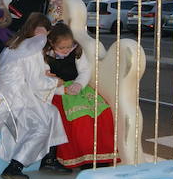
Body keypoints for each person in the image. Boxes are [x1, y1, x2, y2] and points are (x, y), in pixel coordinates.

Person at [0, 13, 68, 179]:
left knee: (52, 112)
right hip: (16, 98)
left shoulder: (14, 45)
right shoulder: (32, 48)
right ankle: (15, 166)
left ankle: (49, 159)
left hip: (6, 95)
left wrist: (47, 77)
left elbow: (29, 74)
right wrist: (56, 82)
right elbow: (37, 82)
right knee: (40, 127)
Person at [44, 23, 118, 169]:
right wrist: (62, 89)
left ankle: (100, 156)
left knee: (102, 112)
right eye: (62, 48)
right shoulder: (45, 56)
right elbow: (44, 80)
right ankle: (83, 157)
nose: (66, 50)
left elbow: (84, 70)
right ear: (52, 43)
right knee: (80, 117)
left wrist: (79, 84)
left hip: (78, 88)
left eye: (68, 46)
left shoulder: (76, 51)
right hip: (58, 91)